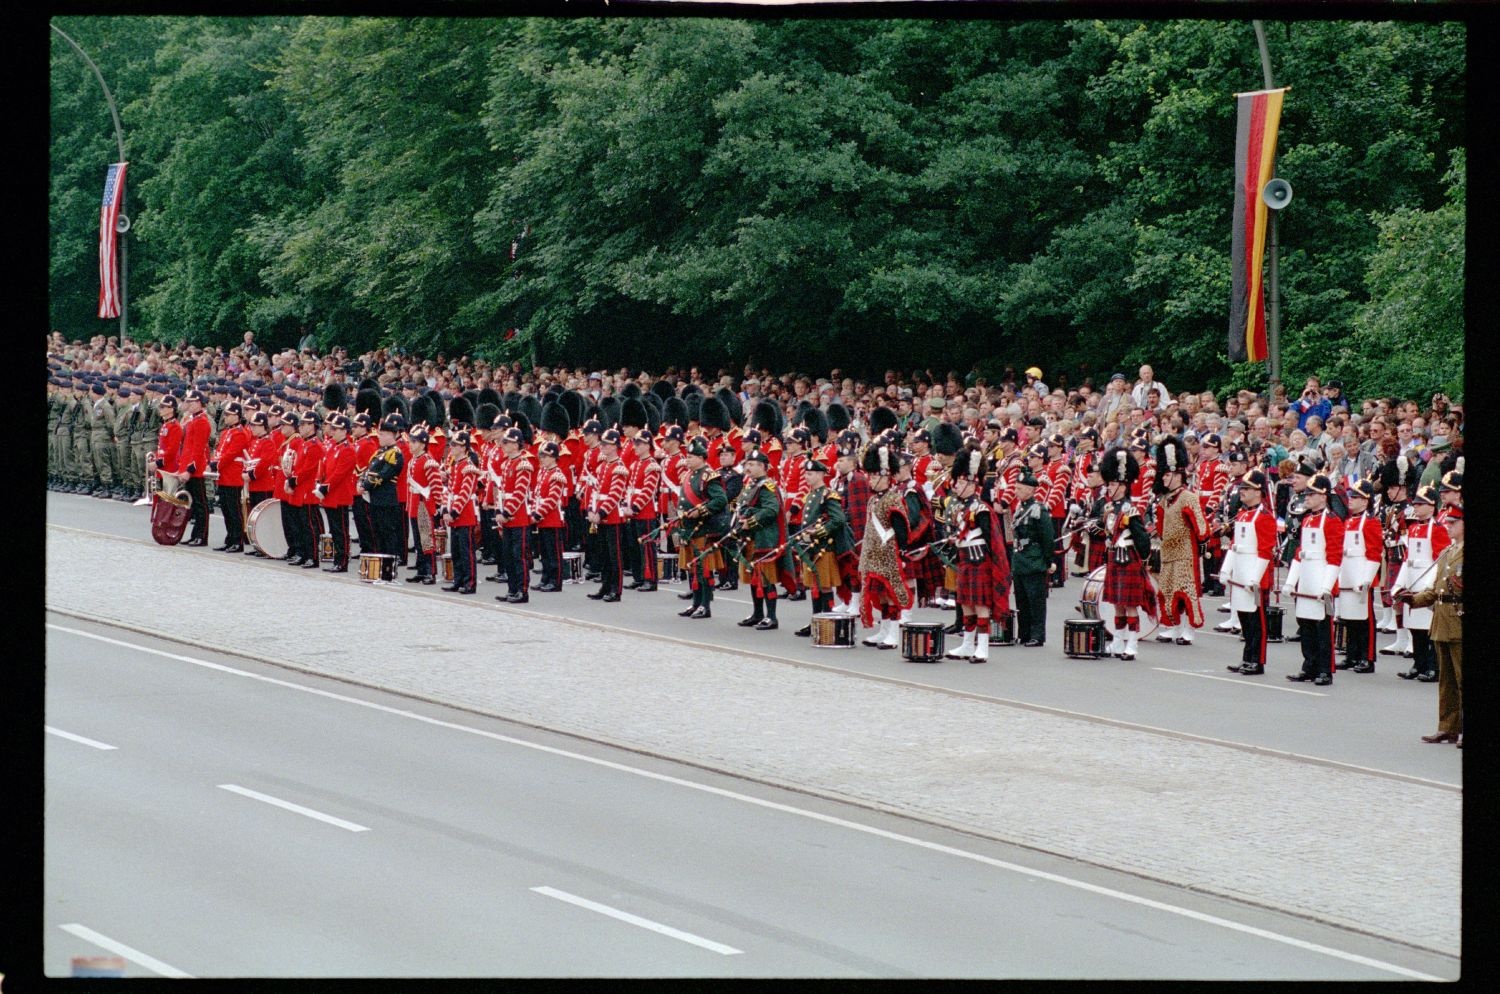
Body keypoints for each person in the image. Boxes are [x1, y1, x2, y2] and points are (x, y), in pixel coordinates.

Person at [942, 446, 1012, 662]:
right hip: (964, 561)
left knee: (981, 606)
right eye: (957, 482)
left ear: (972, 484)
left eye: (961, 483)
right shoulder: (960, 508)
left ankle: (982, 647)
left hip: (980, 560)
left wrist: (996, 568)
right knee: (965, 604)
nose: (957, 486)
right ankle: (966, 644)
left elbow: (993, 541)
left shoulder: (981, 509)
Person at [1402, 505, 1463, 747]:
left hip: (1459, 620)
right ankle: (1447, 728)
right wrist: (1413, 600)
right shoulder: (1448, 552)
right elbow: (1435, 589)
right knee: (1446, 680)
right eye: (1447, 523)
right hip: (1442, 621)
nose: (1448, 527)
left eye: (1453, 523)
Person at [1284, 473, 1344, 685]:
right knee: (1306, 627)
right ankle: (1309, 665)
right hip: (1307, 578)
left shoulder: (1332, 521)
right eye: (1307, 493)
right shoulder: (1308, 519)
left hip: (1321, 579)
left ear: (1323, 496)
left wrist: (1327, 586)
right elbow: (1300, 551)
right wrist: (1291, 580)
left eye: (1312, 494)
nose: (1307, 497)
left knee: (1322, 629)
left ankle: (1324, 670)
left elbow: (1335, 556)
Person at [1097, 447, 1154, 659]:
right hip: (1114, 558)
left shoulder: (1131, 509)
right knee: (1117, 604)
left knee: (1130, 605)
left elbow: (1143, 540)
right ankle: (1118, 642)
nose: (1109, 487)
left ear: (1122, 485)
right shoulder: (1110, 509)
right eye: (1108, 483)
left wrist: (1142, 561)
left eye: (1112, 484)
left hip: (1128, 558)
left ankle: (1132, 644)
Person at [1153, 436, 1209, 645]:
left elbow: (1201, 525)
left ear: (1178, 475)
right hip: (1168, 551)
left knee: (1186, 589)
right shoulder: (1164, 499)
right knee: (1167, 590)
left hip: (1185, 551)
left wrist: (1203, 540)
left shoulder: (1188, 497)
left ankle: (1189, 628)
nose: (1164, 479)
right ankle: (1173, 626)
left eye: (1168, 475)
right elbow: (1160, 525)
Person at [1391, 484, 1449, 682]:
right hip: (1413, 581)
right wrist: (1399, 584)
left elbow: (1438, 561)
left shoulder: (1438, 530)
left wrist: (1428, 586)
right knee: (1415, 628)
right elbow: (1407, 559)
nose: (1415, 507)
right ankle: (1419, 663)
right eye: (1415, 503)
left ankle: (1433, 666)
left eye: (1420, 504)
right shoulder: (1414, 528)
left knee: (1428, 629)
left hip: (1425, 583)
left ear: (1432, 506)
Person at [791, 458, 855, 637]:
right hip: (810, 548)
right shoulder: (811, 495)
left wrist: (818, 532)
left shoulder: (828, 494)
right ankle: (816, 621)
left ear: (820, 475)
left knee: (824, 586)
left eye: (810, 474)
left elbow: (838, 519)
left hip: (823, 547)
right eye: (806, 473)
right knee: (814, 585)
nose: (806, 476)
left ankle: (827, 624)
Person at [1224, 470, 1278, 675]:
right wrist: (1227, 569)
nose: (1242, 492)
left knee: (1258, 622)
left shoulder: (1264, 517)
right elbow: (1235, 544)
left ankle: (1258, 660)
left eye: (1246, 489)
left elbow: (1265, 550)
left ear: (1258, 491)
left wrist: (1255, 578)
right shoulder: (1242, 514)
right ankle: (1247, 657)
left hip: (1256, 577)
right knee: (1245, 620)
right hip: (1241, 573)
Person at [732, 449, 793, 631]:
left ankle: (771, 617)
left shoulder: (767, 486)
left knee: (766, 578)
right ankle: (757, 613)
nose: (747, 467)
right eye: (747, 464)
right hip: (750, 538)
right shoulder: (750, 485)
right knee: (753, 577)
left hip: (764, 538)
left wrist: (751, 521)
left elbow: (771, 510)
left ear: (763, 467)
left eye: (752, 464)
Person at [675, 438, 729, 620]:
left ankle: (705, 605)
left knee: (703, 569)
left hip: (702, 528)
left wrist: (701, 511)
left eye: (691, 457)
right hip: (689, 527)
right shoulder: (689, 475)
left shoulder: (709, 476)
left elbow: (720, 500)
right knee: (692, 568)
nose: (687, 460)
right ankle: (696, 602)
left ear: (701, 457)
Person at [1335, 479, 1384, 673]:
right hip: (1347, 574)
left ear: (1365, 501)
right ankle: (1352, 654)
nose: (1351, 500)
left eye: (1355, 497)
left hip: (1362, 576)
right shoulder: (1348, 522)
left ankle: (1367, 657)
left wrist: (1366, 579)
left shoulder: (1371, 522)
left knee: (1365, 620)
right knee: (1349, 617)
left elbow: (1374, 552)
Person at [1010, 470, 1055, 647]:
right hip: (1020, 558)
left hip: (1033, 558)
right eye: (1015, 488)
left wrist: (1047, 560)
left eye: (1020, 488)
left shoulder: (1038, 509)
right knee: (1022, 599)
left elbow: (1047, 537)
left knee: (1035, 600)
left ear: (1030, 490)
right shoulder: (1020, 508)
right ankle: (1025, 632)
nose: (1016, 491)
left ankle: (1037, 634)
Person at [586, 428, 630, 602]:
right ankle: (605, 585)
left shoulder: (619, 468)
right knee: (603, 553)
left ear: (615, 446)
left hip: (612, 517)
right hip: (599, 515)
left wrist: (601, 512)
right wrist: (591, 509)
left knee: (614, 555)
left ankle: (615, 589)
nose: (602, 447)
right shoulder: (603, 466)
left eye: (606, 444)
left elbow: (615, 494)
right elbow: (595, 491)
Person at [360, 413, 407, 565]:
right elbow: (369, 470)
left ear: (390, 435)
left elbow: (384, 475)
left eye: (383, 434)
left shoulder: (395, 453)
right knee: (378, 532)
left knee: (388, 533)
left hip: (386, 497)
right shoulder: (380, 452)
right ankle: (381, 565)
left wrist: (365, 485)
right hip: (376, 498)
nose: (379, 437)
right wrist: (362, 480)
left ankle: (389, 566)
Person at [496, 426, 536, 604]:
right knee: (508, 557)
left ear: (516, 444)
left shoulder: (523, 464)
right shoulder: (507, 464)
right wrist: (499, 511)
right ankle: (512, 589)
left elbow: (520, 493)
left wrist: (506, 512)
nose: (503, 445)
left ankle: (522, 590)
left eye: (506, 442)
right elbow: (502, 492)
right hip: (506, 517)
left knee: (519, 557)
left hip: (518, 518)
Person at [437, 426, 479, 594]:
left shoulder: (468, 466)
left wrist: (453, 512)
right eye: (451, 444)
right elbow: (450, 491)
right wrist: (446, 510)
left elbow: (465, 493)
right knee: (455, 551)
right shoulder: (455, 466)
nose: (451, 448)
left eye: (455, 445)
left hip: (464, 514)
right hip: (454, 514)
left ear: (463, 447)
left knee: (466, 551)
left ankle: (470, 583)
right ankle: (459, 580)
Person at [316, 413, 357, 572]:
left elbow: (340, 473)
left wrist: (326, 486)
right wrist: (320, 482)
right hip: (330, 493)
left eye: (336, 428)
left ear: (345, 430)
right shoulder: (333, 445)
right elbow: (325, 466)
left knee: (341, 530)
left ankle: (343, 560)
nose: (332, 431)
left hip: (339, 494)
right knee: (334, 529)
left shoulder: (348, 449)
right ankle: (338, 559)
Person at [210, 401, 252, 552]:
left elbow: (232, 453)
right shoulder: (227, 432)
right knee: (227, 510)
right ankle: (230, 538)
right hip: (224, 474)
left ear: (237, 416)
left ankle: (237, 540)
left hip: (233, 475)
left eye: (228, 415)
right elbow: (221, 451)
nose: (225, 417)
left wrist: (218, 464)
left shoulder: (240, 433)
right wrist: (215, 461)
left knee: (234, 510)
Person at [403, 424, 442, 584]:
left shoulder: (428, 462)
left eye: (413, 442)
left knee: (426, 540)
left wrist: (437, 505)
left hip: (424, 505)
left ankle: (430, 572)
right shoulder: (413, 461)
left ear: (422, 443)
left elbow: (436, 487)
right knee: (419, 541)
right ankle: (421, 570)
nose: (410, 444)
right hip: (414, 505)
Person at [624, 429, 662, 592]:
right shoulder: (635, 464)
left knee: (647, 548)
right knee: (634, 546)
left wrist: (634, 507)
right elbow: (629, 488)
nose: (635, 447)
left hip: (645, 512)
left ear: (647, 445)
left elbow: (648, 491)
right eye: (635, 443)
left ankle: (650, 579)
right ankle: (638, 576)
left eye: (639, 444)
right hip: (632, 511)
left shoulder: (652, 465)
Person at [531, 440, 569, 591]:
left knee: (554, 553)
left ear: (553, 457)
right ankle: (545, 578)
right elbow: (537, 495)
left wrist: (537, 514)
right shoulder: (543, 472)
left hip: (552, 519)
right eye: (541, 456)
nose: (542, 459)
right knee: (544, 552)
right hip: (542, 519)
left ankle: (555, 580)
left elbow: (552, 499)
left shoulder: (557, 475)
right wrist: (534, 512)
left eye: (545, 456)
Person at [179, 390, 213, 545]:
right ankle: (195, 535)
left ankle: (202, 535)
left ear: (199, 402)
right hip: (188, 466)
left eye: (191, 402)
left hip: (196, 469)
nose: (188, 405)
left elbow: (198, 449)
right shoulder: (192, 420)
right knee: (193, 503)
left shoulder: (202, 422)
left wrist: (189, 469)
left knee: (200, 503)